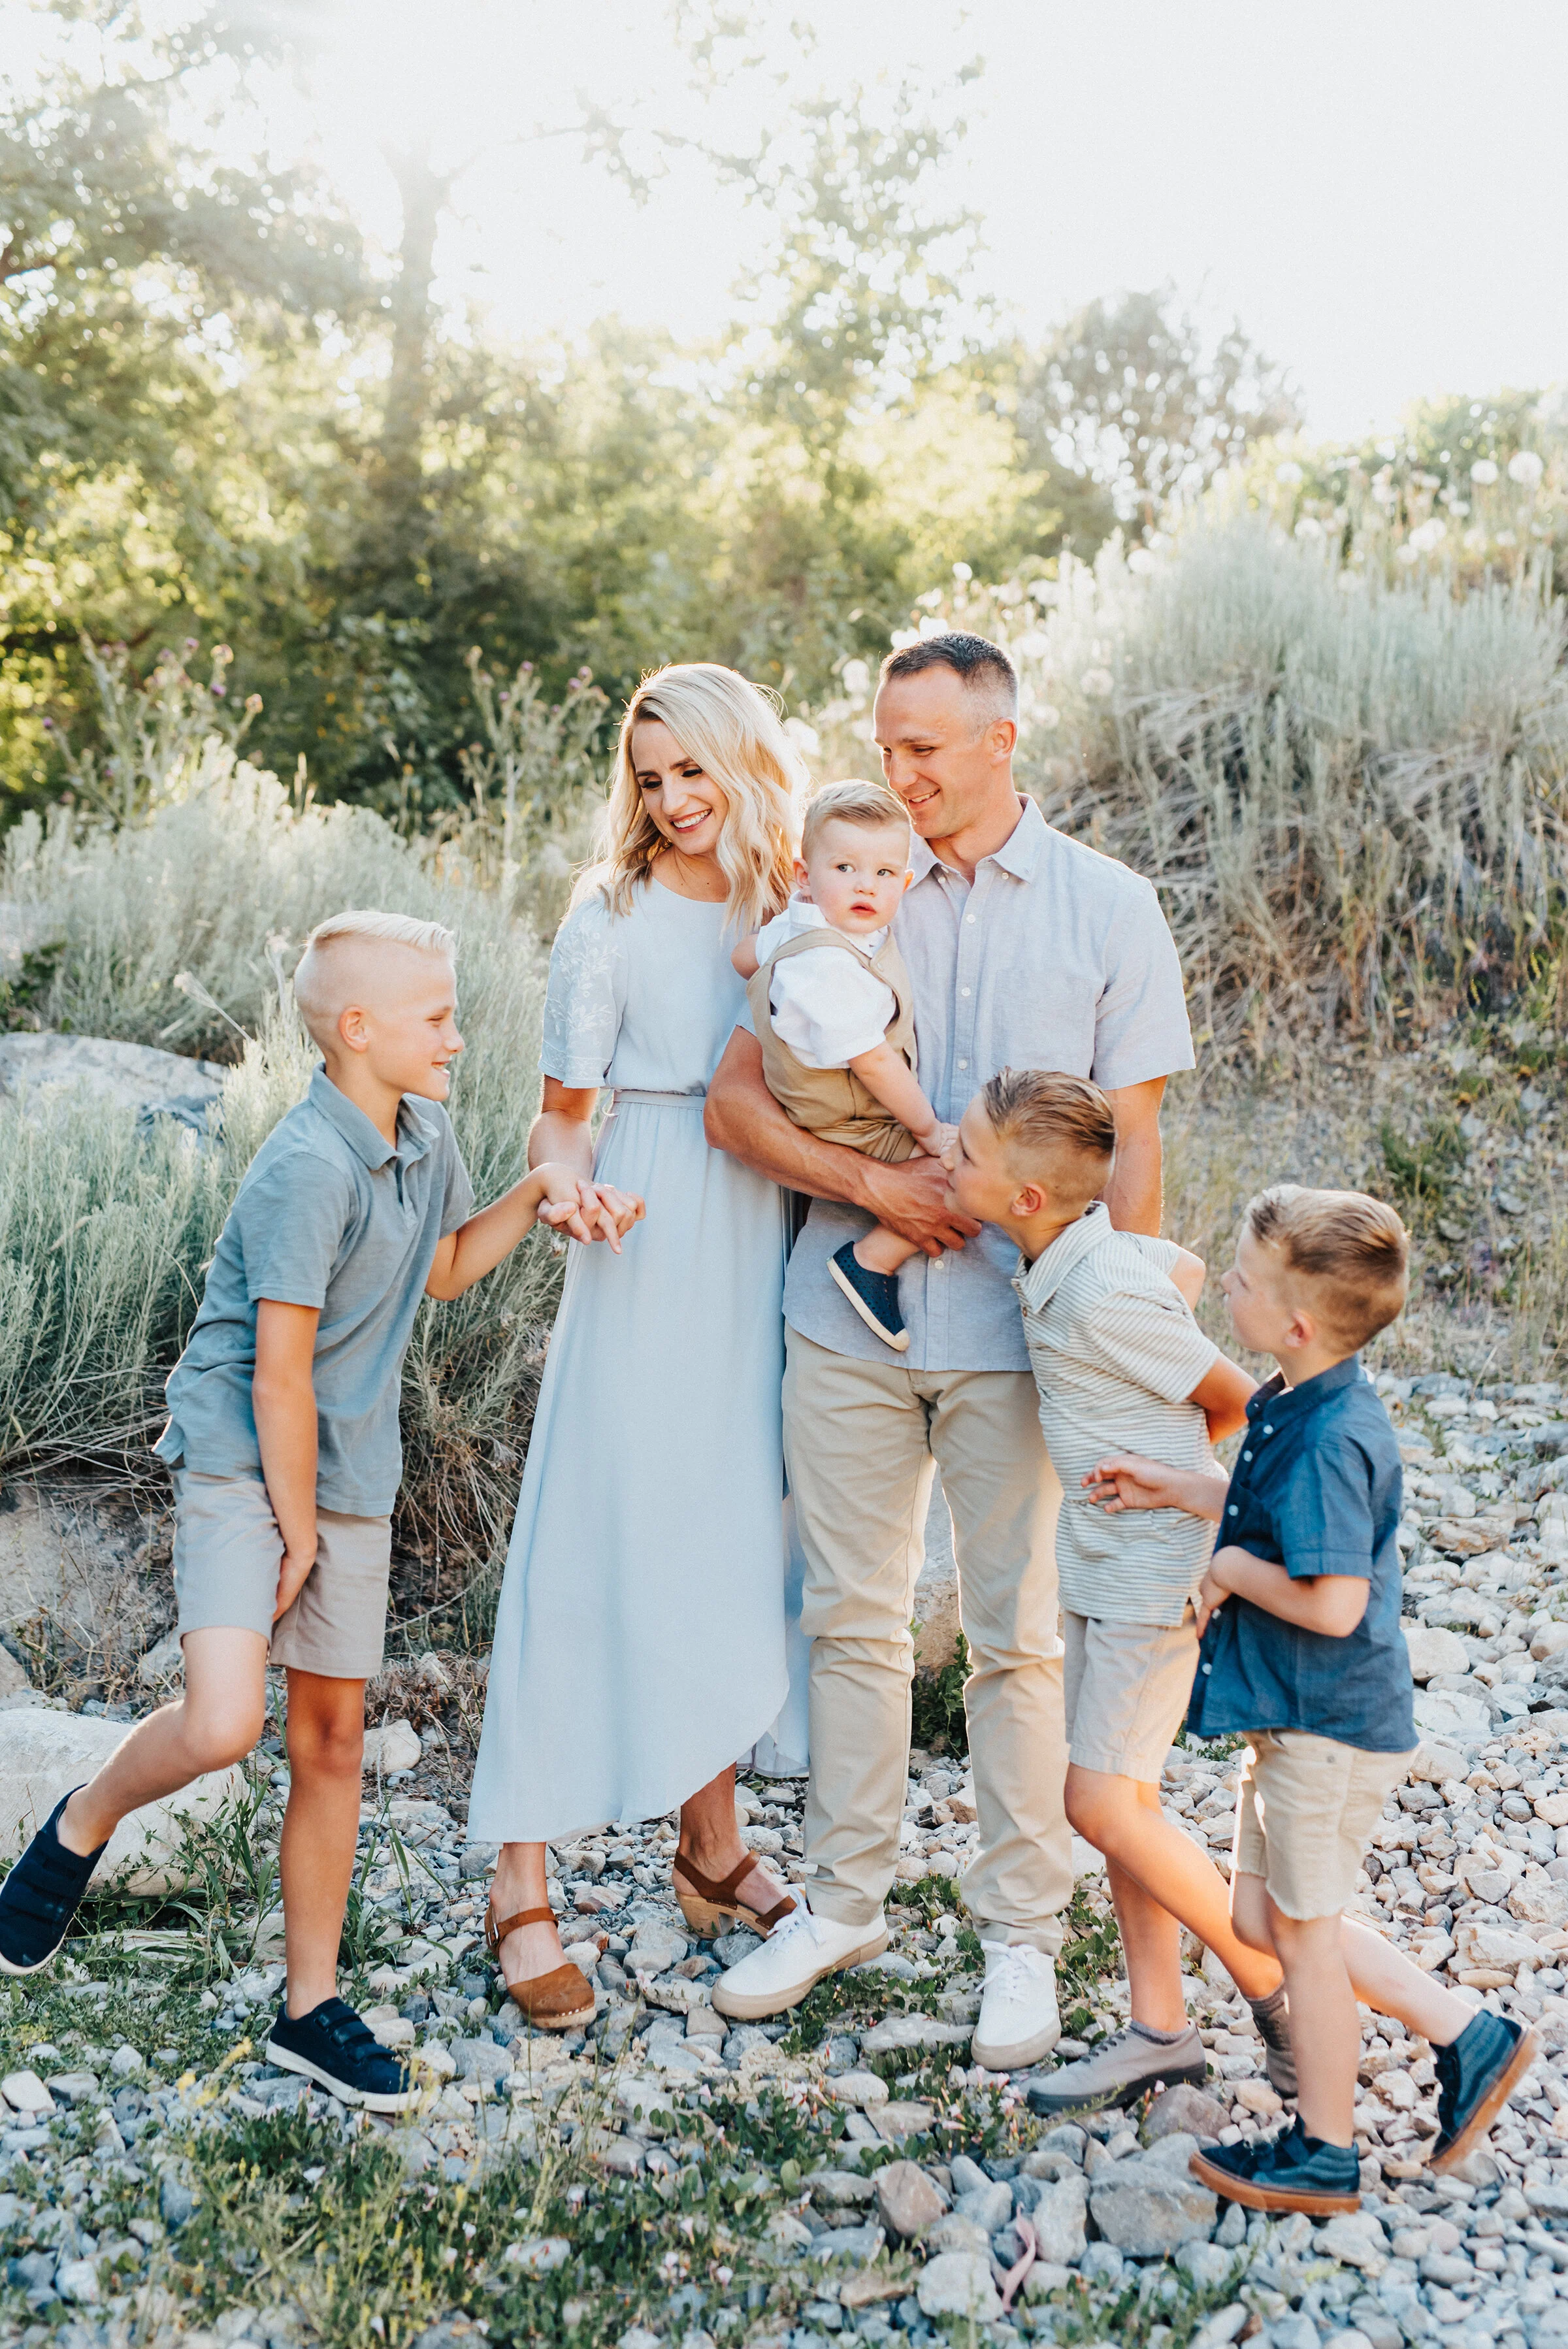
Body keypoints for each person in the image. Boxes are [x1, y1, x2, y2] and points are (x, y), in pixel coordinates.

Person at [0, 911, 614, 2107]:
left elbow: (441, 1269)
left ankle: (310, 2007)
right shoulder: (304, 1167)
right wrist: (291, 1531)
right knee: (228, 1721)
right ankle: (83, 1820)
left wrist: (542, 1190)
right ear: (358, 1031)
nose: (457, 1035)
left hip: (351, 1474)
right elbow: (277, 1376)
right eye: (438, 1018)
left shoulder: (424, 1134)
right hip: (247, 1460)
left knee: (333, 1743)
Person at [705, 631, 1196, 2065]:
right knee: (849, 1618)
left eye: (926, 746)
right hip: (843, 1318)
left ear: (1004, 743)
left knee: (1017, 1639)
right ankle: (847, 1897)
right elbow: (739, 1109)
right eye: (887, 740)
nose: (899, 772)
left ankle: (1020, 1940)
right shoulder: (846, 893)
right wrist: (875, 1189)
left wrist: (1130, 1361)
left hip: (1021, 1341)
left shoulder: (1109, 910)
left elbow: (1137, 1144)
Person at [468, 662, 812, 2027]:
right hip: (646, 1226)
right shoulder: (606, 916)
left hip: (769, 1233)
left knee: (731, 1529)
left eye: (693, 771)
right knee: (592, 1528)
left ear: (744, 761)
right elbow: (563, 1115)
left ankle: (713, 1850)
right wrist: (569, 1186)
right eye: (650, 775)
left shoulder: (794, 903)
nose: (671, 800)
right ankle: (520, 1871)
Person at [1122, 1183, 1534, 2214]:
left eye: (1246, 1280)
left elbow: (1337, 1598)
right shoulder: (1295, 1395)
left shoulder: (1330, 1437)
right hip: (1294, 1719)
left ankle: (1325, 2148)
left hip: (1329, 1722)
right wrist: (1181, 1490)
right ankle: (1469, 2033)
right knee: (1262, 1915)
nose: (1227, 1282)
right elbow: (1271, 1512)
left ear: (1297, 1321)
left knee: (1301, 1932)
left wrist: (1227, 1569)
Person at [938, 1067, 1298, 2114]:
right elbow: (1169, 1272)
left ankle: (1265, 1973)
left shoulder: (1098, 1285)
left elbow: (1237, 1401)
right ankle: (1158, 2029)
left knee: (1093, 1799)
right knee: (1122, 1804)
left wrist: (1194, 1506)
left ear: (1026, 1200)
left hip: (1154, 1581)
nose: (948, 1160)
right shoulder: (1060, 1258)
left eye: (965, 1154)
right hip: (1097, 1569)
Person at [731, 778, 953, 1352]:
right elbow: (876, 1065)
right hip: (847, 1121)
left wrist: (771, 955)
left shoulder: (800, 924)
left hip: (834, 1106)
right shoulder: (827, 968)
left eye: (883, 874)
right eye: (846, 868)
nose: (865, 885)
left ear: (904, 883)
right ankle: (869, 1260)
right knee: (966, 1171)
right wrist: (929, 1132)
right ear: (805, 874)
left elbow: (742, 956)